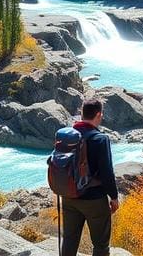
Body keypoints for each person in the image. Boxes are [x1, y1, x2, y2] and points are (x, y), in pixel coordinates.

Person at [60, 98, 119, 256]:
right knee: (100, 244)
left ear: (81, 113)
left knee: (69, 240)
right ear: (98, 114)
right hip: (94, 199)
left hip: (69, 195)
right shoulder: (100, 139)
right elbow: (107, 172)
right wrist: (114, 197)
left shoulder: (67, 136)